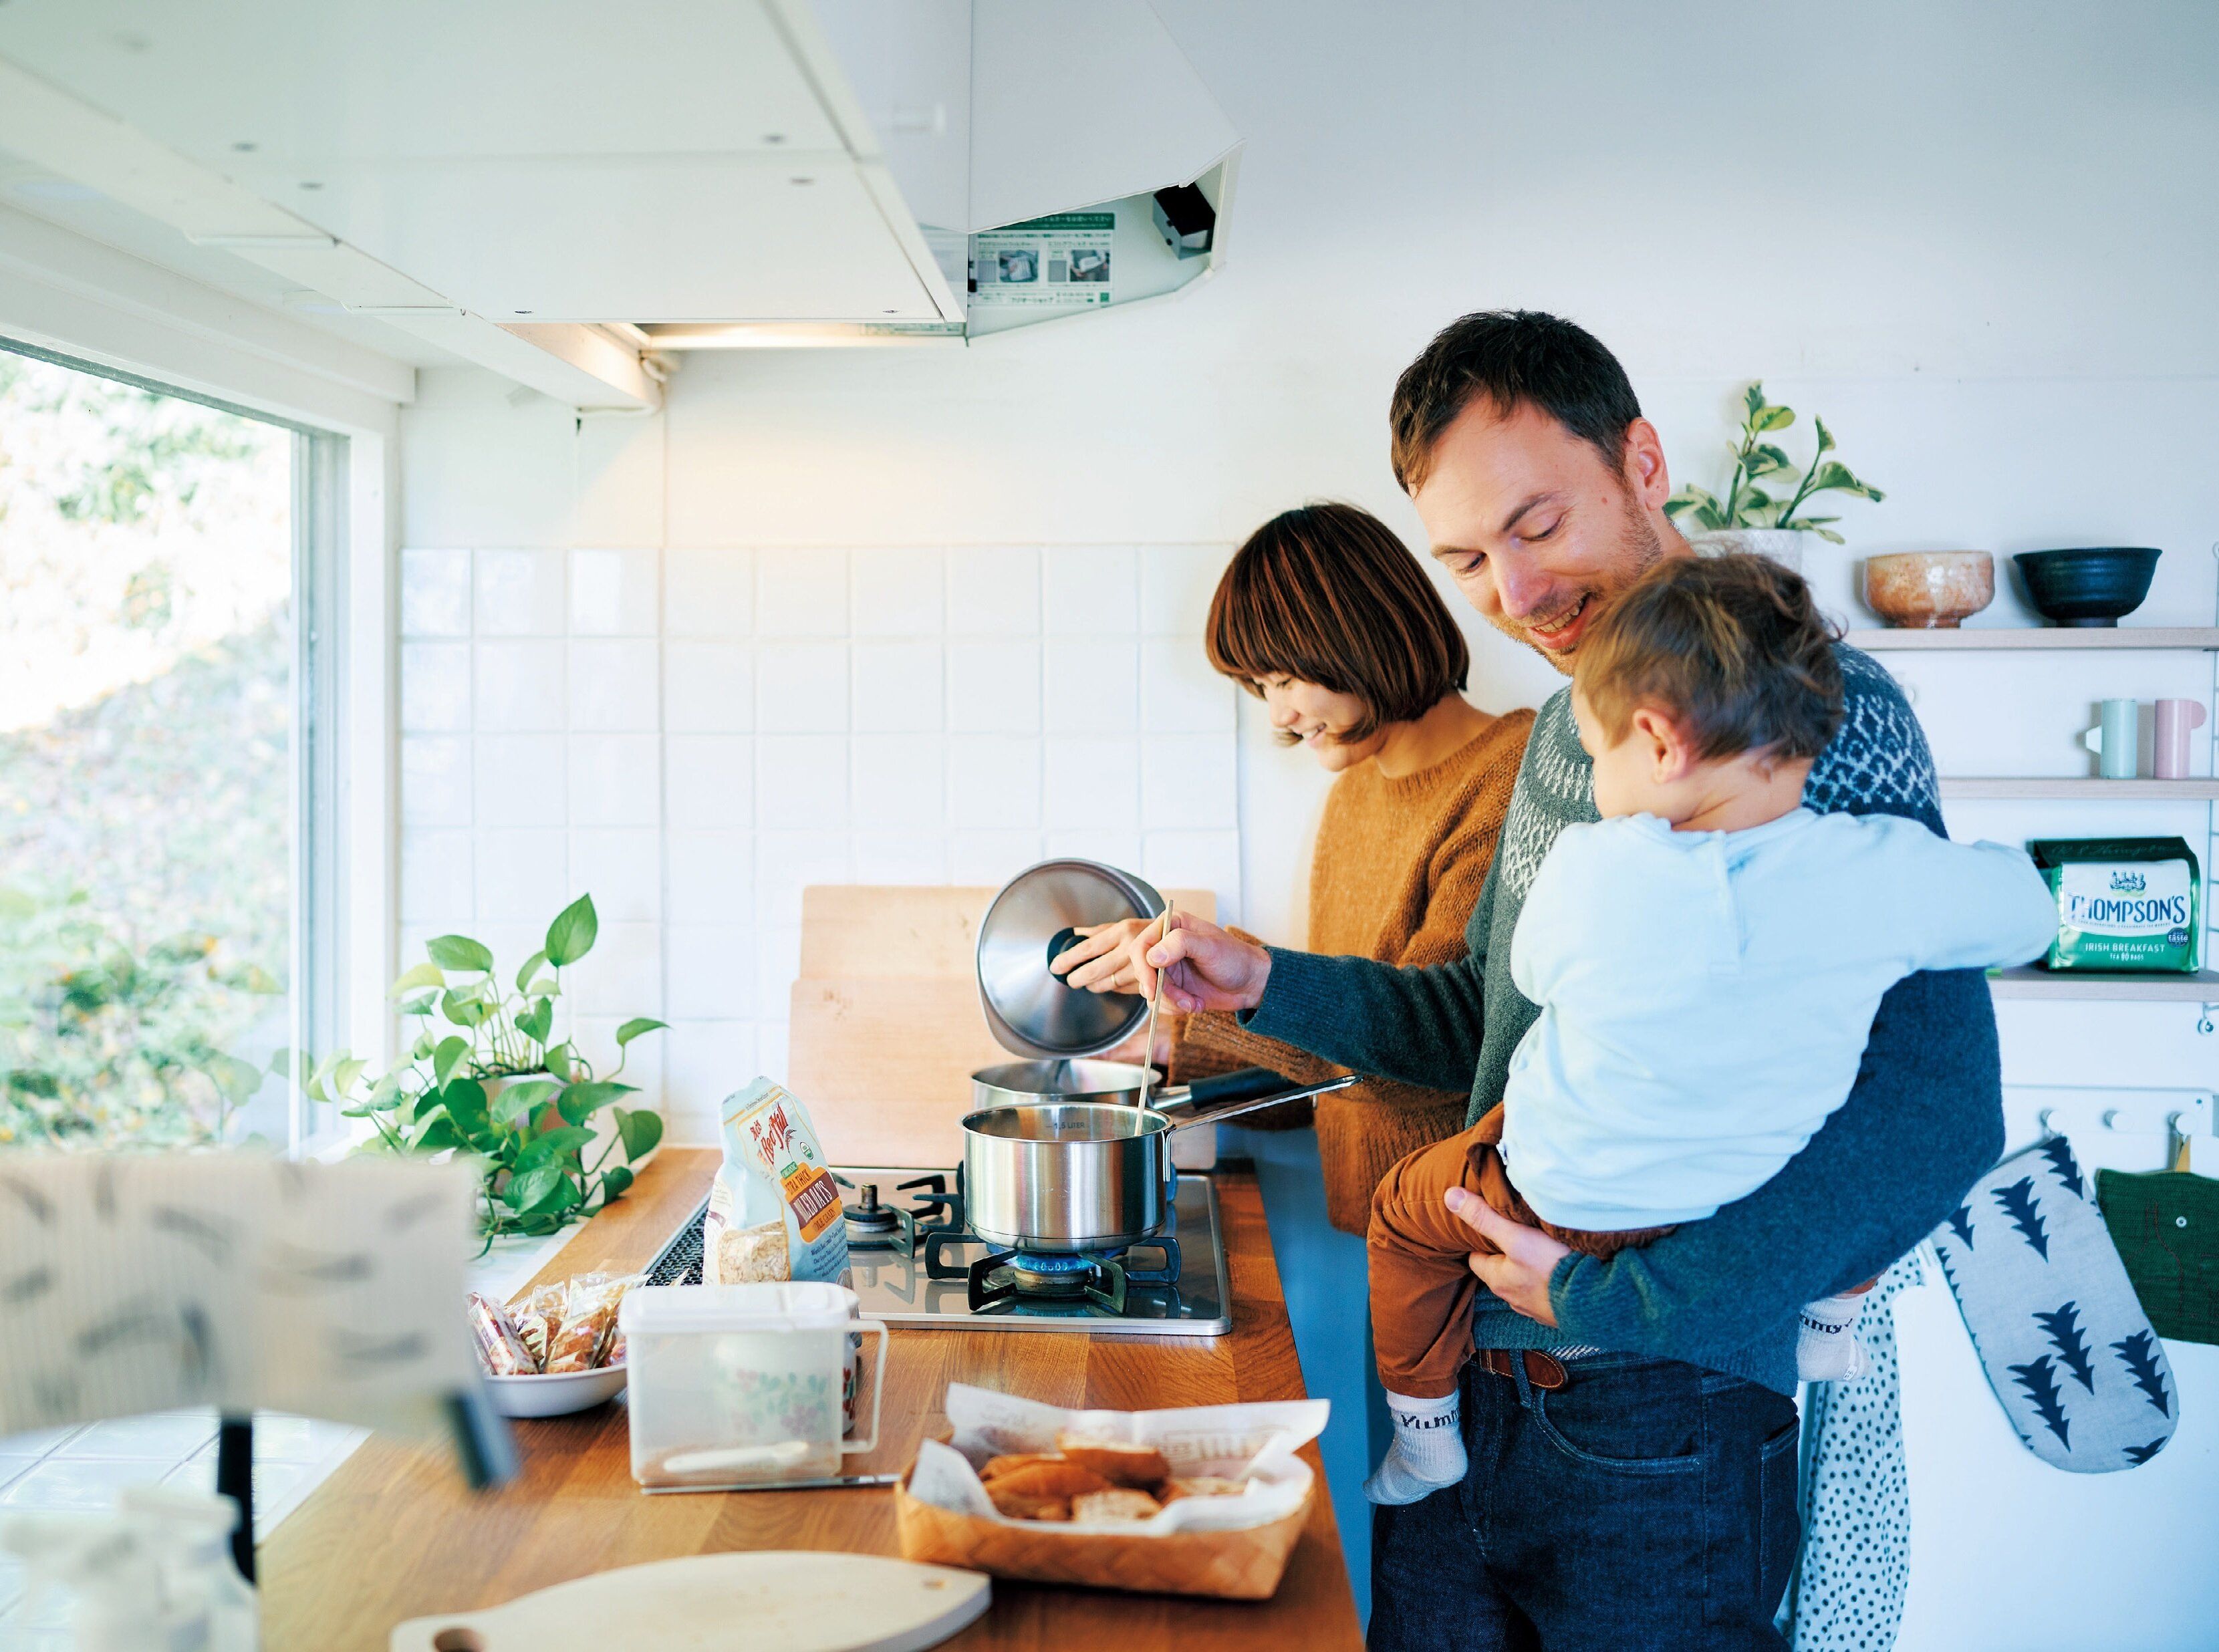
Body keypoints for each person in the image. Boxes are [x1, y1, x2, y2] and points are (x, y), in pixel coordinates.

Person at [1104, 311, 2007, 1650]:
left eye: (1536, 527)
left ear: (1641, 462)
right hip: (1469, 1388)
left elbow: (1935, 1116)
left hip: (1665, 1412)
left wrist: (1621, 1304)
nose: (1516, 596)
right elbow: (1478, 1026)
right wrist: (1264, 983)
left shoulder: (1808, 709)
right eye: (1468, 560)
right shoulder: (1558, 734)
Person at [1362, 553, 2057, 1506]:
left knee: (1402, 1215)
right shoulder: (1881, 871)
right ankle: (1829, 1322)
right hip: (1733, 1203)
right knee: (1865, 1184)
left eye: (1597, 752)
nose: (1594, 778)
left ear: (1656, 742)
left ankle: (1423, 1433)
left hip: (1558, 1201)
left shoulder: (1591, 867)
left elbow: (1525, 979)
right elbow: (2030, 915)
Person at [1052, 501, 1533, 1237]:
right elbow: (1336, 1065)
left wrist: (1248, 978)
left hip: (1468, 1239)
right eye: (1261, 689)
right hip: (1380, 1228)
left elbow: (1441, 1058)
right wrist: (1173, 1043)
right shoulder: (1353, 793)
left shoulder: (1504, 781)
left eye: (1281, 680)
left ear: (1361, 634)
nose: (1277, 716)